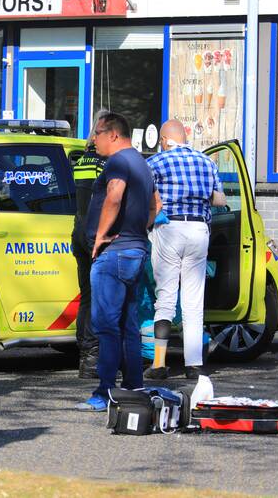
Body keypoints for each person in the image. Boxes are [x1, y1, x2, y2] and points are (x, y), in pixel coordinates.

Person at [77, 112, 157, 412]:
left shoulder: (118, 162)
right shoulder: (142, 163)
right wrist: (137, 229)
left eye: (97, 134)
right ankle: (134, 386)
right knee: (128, 324)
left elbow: (114, 195)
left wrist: (100, 236)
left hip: (114, 254)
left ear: (113, 134)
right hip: (135, 250)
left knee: (106, 325)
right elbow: (156, 205)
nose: (93, 140)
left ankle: (105, 392)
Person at [144, 119, 226, 380]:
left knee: (166, 297)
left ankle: (159, 364)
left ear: (164, 140)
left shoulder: (155, 162)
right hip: (199, 230)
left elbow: (145, 196)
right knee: (193, 301)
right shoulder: (207, 162)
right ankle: (194, 365)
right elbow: (220, 200)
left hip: (169, 229)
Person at [71, 110, 108, 379]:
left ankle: (85, 356)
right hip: (96, 235)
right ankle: (94, 358)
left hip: (79, 232)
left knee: (87, 296)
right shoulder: (104, 163)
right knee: (99, 298)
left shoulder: (82, 160)